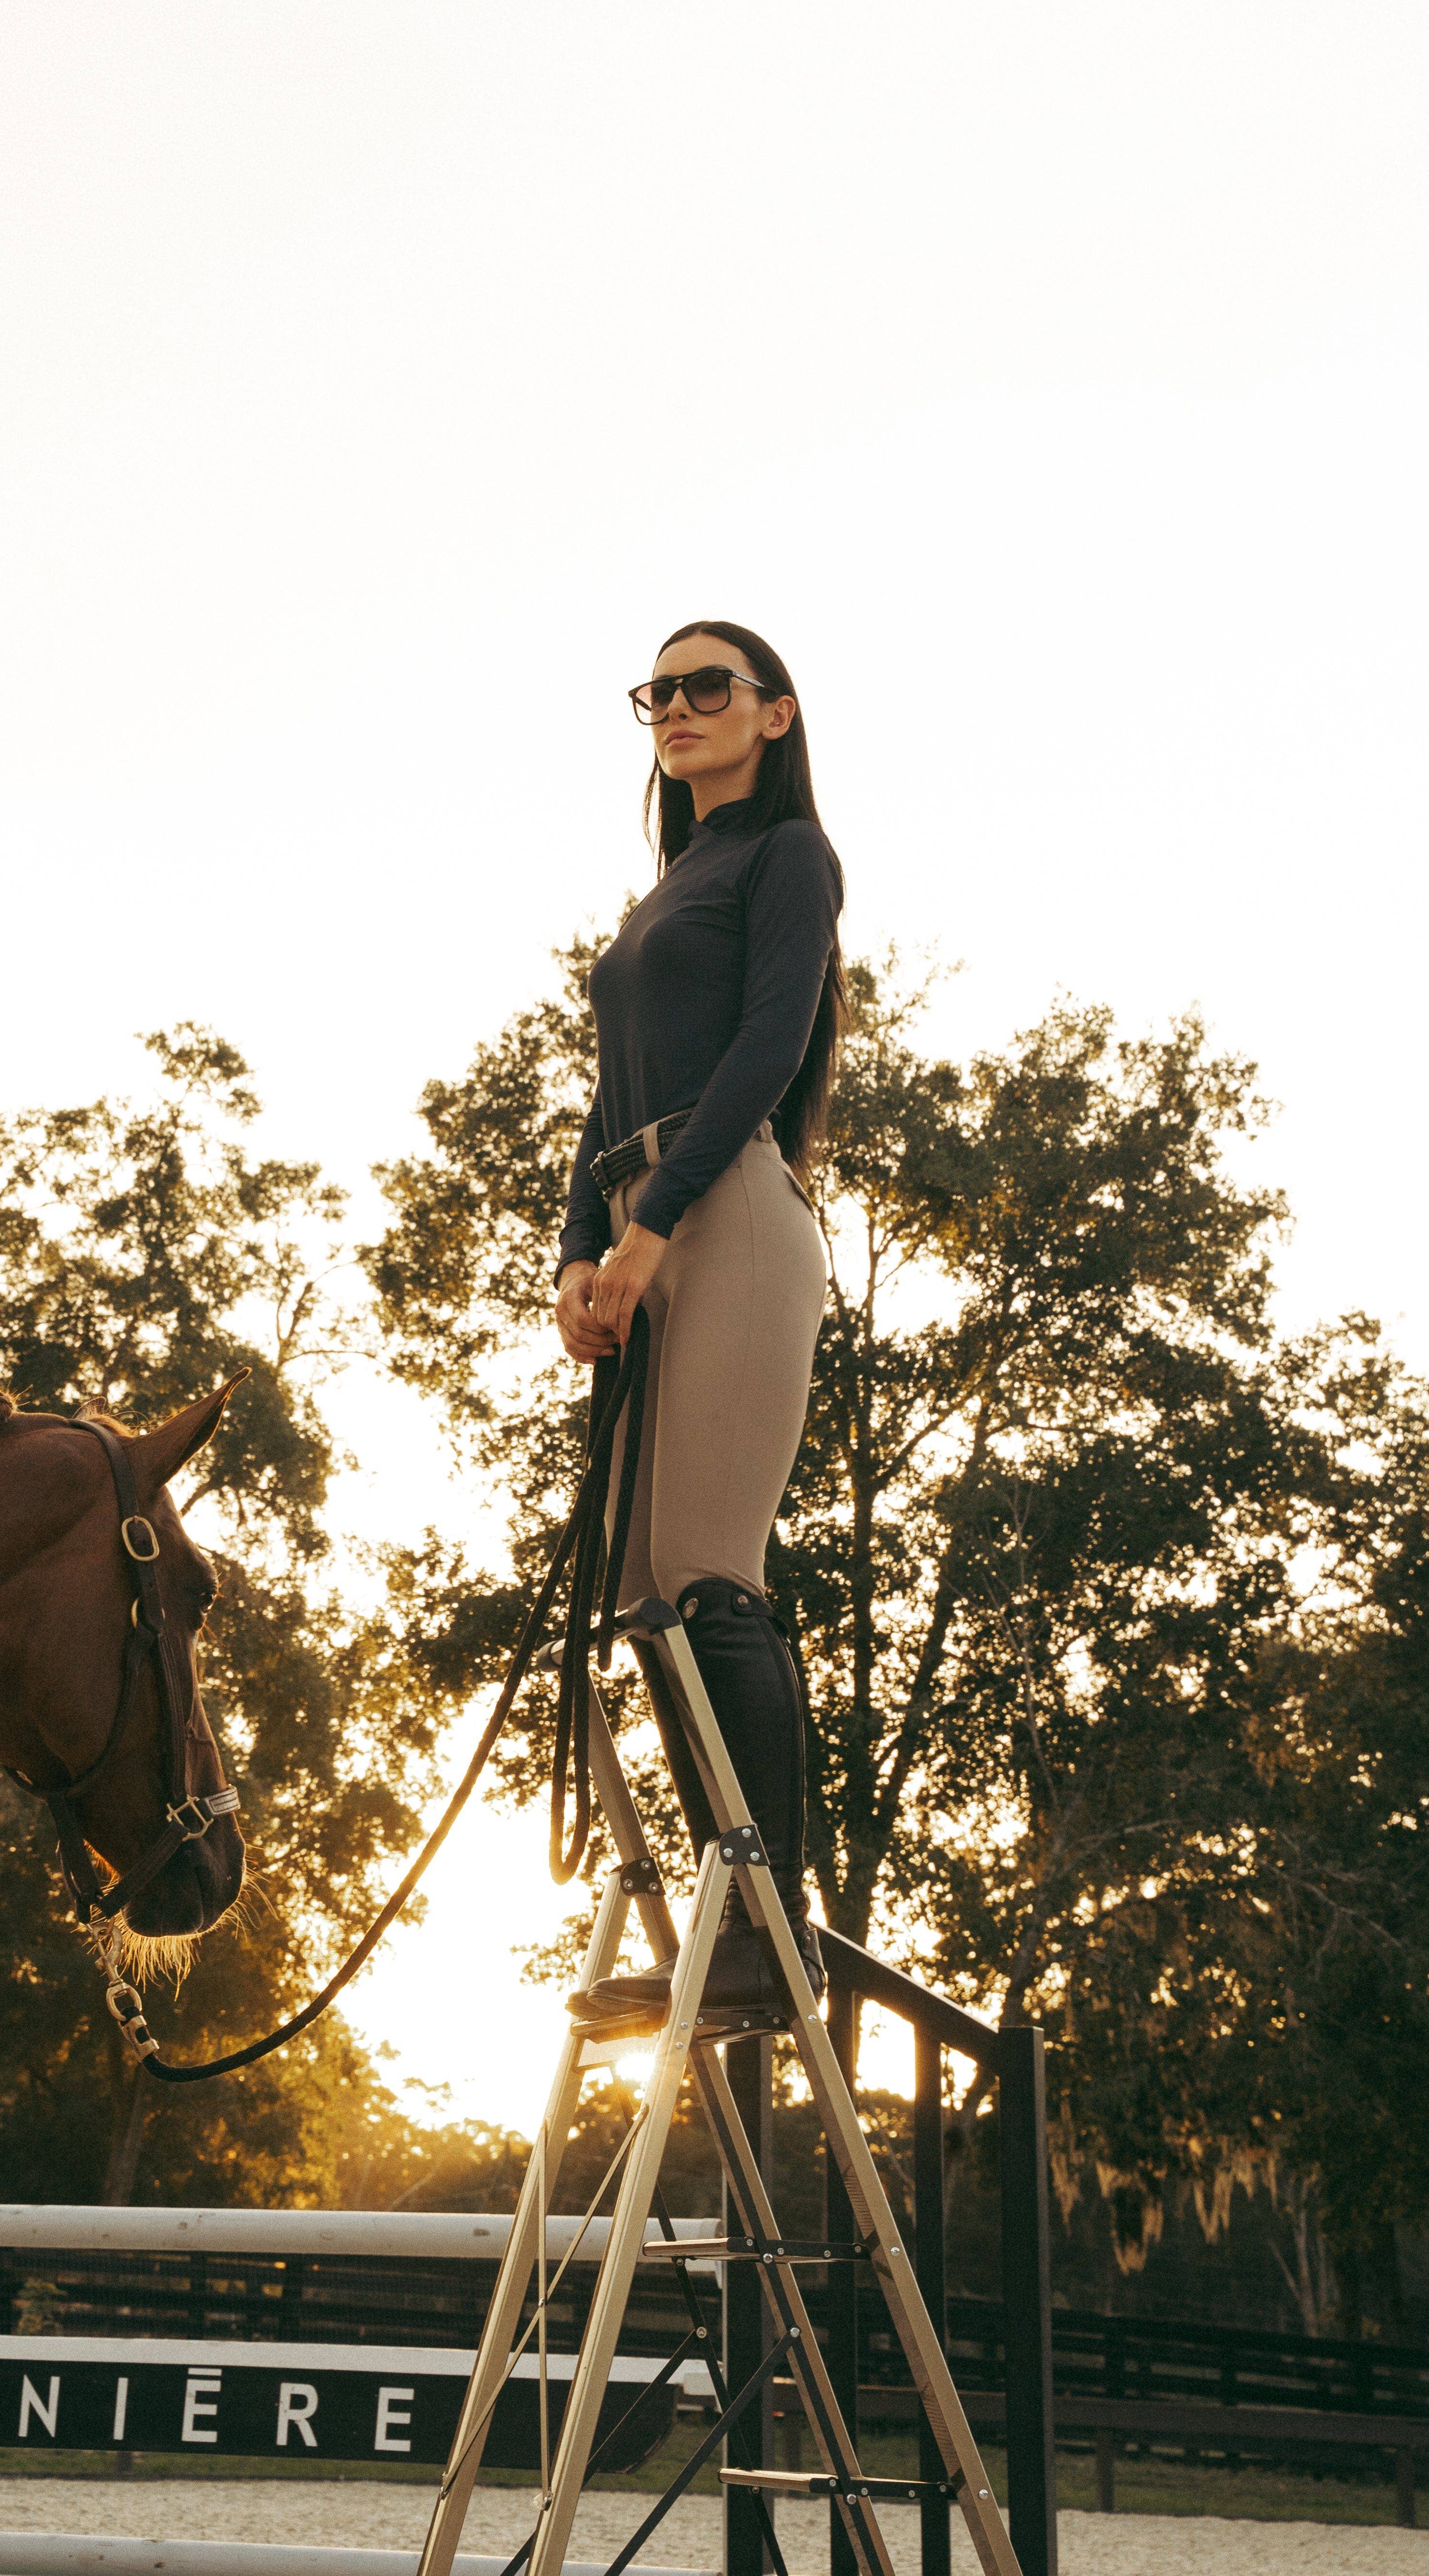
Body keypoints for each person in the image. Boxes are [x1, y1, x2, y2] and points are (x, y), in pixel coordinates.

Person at [554, 621, 844, 2023]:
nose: (673, 708)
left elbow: (768, 1052)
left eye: (704, 686)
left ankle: (765, 1929)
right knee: (632, 1591)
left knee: (704, 1573)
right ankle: (700, 1933)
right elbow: (603, 1098)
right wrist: (576, 1255)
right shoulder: (669, 889)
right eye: (655, 692)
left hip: (725, 1209)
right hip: (644, 1220)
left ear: (773, 716)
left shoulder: (787, 860)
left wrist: (655, 1223)